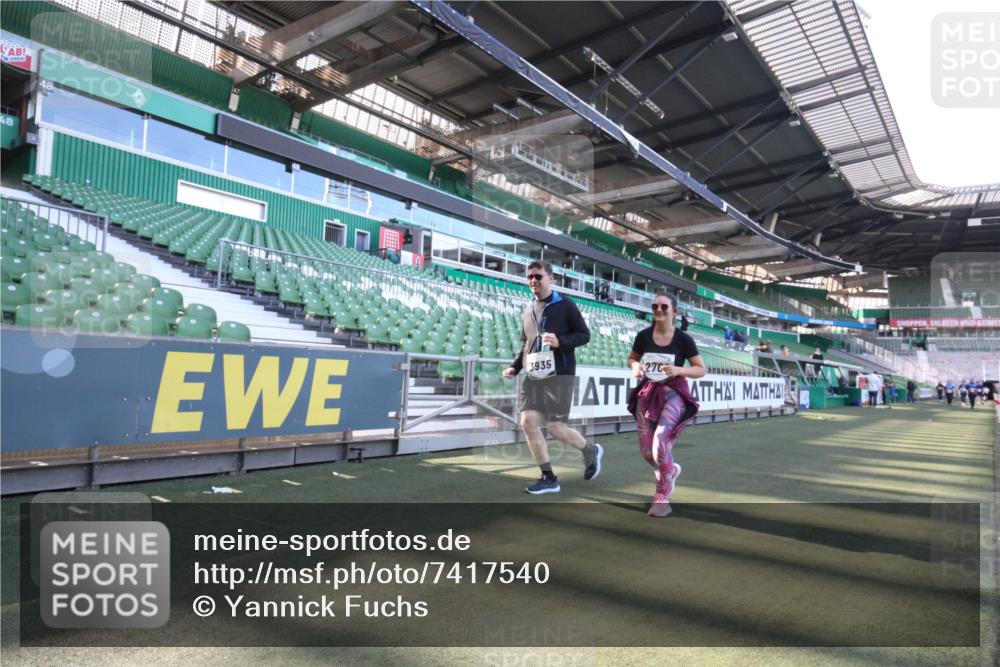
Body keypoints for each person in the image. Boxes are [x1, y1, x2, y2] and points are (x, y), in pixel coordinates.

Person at [504, 260, 598, 495]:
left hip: (559, 375)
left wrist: (561, 342)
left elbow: (584, 335)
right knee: (527, 423)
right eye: (530, 277)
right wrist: (515, 366)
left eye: (538, 276)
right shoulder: (528, 309)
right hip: (533, 375)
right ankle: (548, 477)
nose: (533, 281)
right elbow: (526, 343)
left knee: (556, 428)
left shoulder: (565, 304)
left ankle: (590, 450)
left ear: (551, 279)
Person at [627, 292, 705, 518]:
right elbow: (632, 358)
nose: (659, 310)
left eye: (664, 307)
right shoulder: (643, 336)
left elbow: (700, 369)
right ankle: (670, 471)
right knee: (646, 451)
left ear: (674, 311)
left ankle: (662, 495)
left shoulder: (683, 339)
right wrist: (634, 367)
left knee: (660, 443)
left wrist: (679, 370)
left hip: (674, 395)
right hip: (647, 393)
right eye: (655, 307)